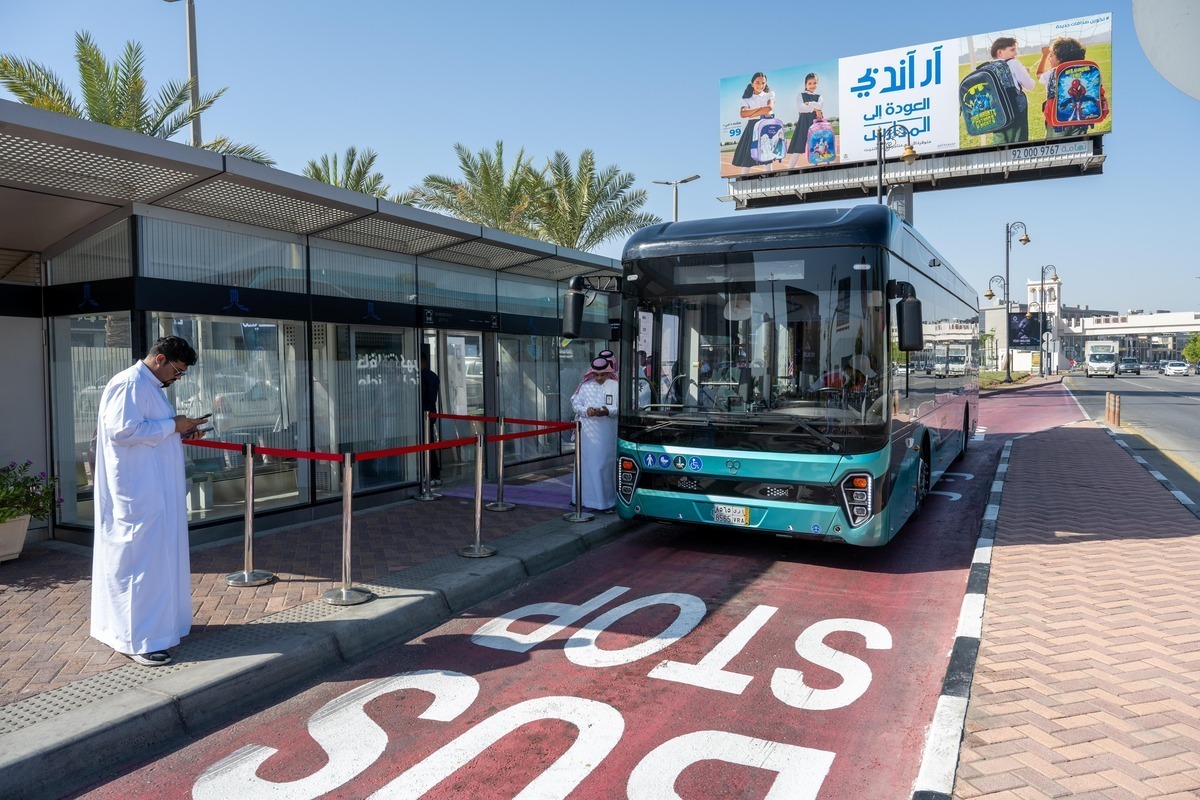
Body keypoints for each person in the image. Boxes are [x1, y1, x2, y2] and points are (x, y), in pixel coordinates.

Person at [91, 336, 206, 667]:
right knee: (138, 563)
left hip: (153, 488)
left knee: (155, 560)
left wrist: (181, 430)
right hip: (136, 491)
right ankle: (136, 639)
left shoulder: (149, 386)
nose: (178, 378)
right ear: (160, 359)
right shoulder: (129, 383)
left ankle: (158, 629)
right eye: (177, 370)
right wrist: (172, 425)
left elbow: (150, 430)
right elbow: (121, 431)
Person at [570, 356, 618, 513]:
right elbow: (575, 404)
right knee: (585, 466)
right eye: (596, 375)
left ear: (608, 372)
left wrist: (607, 411)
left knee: (603, 466)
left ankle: (605, 502)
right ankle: (582, 500)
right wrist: (587, 411)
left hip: (607, 434)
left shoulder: (616, 386)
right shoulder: (585, 386)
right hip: (587, 434)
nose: (599, 378)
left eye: (602, 374)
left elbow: (622, 408)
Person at [1036, 36, 1090, 139]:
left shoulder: (1053, 73)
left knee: (1054, 145)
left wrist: (1044, 55)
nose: (1049, 59)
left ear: (1059, 59)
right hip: (1080, 119)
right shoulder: (1085, 73)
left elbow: (1039, 74)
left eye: (1051, 56)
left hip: (1058, 122)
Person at [990, 36, 1035, 144]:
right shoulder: (1013, 63)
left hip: (997, 114)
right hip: (1015, 111)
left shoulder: (989, 67)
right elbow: (1029, 85)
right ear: (1000, 52)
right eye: (1012, 50)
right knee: (1017, 141)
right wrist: (1026, 73)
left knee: (999, 142)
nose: (1016, 53)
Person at [730, 72, 775, 175]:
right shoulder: (746, 99)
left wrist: (751, 113)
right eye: (757, 82)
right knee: (748, 158)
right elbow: (743, 114)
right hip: (752, 127)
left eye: (763, 83)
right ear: (752, 84)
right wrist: (761, 110)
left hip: (766, 126)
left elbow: (769, 107)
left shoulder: (769, 94)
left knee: (768, 157)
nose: (760, 85)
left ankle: (771, 179)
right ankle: (743, 180)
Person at [784, 72, 824, 169]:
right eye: (809, 83)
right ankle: (790, 168)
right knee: (798, 146)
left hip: (815, 122)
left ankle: (814, 166)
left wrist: (808, 103)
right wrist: (815, 109)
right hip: (803, 123)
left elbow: (820, 106)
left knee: (815, 145)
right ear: (805, 84)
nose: (812, 85)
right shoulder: (800, 95)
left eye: (814, 83)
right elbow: (801, 108)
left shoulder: (819, 96)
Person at [420, 353, 441, 486]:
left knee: (427, 444)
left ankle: (431, 474)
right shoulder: (432, 376)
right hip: (429, 414)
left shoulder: (424, 377)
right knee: (429, 444)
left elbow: (428, 397)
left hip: (425, 415)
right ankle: (433, 474)